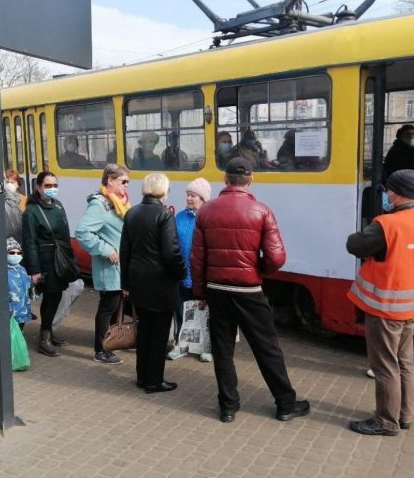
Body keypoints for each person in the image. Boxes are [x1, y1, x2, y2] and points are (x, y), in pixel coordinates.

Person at [190, 157, 310, 424]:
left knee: (222, 350)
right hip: (249, 290)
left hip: (217, 290)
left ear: (225, 179)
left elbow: (197, 258)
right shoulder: (261, 211)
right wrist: (259, 270)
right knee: (267, 348)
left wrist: (200, 292)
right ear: (251, 180)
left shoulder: (206, 211)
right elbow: (277, 257)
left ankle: (228, 407)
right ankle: (285, 404)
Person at [346, 169, 414, 436]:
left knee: (384, 366)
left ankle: (385, 421)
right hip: (411, 308)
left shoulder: (388, 224)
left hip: (386, 308)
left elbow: (355, 245)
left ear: (394, 193)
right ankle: (404, 415)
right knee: (405, 362)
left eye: (388, 189)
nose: (386, 193)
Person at [121, 173, 186, 392]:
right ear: (163, 191)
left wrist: (125, 282)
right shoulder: (164, 215)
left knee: (145, 330)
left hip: (138, 280)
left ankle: (142, 377)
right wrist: (181, 272)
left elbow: (125, 251)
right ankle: (154, 380)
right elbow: (171, 252)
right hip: (160, 283)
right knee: (158, 334)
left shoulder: (132, 213)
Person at [75, 164, 131, 365]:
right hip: (110, 267)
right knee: (108, 307)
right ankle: (100, 350)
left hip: (120, 267)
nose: (126, 186)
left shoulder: (118, 202)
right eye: (123, 181)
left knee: (115, 306)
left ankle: (110, 343)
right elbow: (82, 232)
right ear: (110, 180)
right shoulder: (100, 204)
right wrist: (106, 250)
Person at [22, 171, 74, 356]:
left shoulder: (58, 205)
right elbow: (29, 242)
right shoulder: (31, 211)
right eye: (48, 186)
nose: (52, 189)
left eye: (54, 185)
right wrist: (34, 270)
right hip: (45, 261)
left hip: (59, 258)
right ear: (38, 187)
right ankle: (44, 338)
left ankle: (49, 332)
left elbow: (65, 233)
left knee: (57, 296)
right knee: (51, 298)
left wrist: (69, 258)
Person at [169, 177, 212, 360]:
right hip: (182, 274)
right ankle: (181, 344)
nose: (188, 198)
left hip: (202, 275)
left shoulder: (209, 217)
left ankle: (206, 346)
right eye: (187, 194)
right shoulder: (180, 216)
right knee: (181, 311)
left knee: (203, 312)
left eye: (193, 195)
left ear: (203, 198)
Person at [6, 237, 33, 330]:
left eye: (19, 253)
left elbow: (28, 286)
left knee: (20, 330)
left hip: (23, 309)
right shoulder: (3, 272)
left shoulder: (22, 269)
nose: (16, 255)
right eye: (12, 253)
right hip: (11, 312)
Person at [3, 173, 23, 244]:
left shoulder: (23, 199)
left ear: (18, 184)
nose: (9, 185)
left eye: (12, 183)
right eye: (7, 182)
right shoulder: (2, 200)